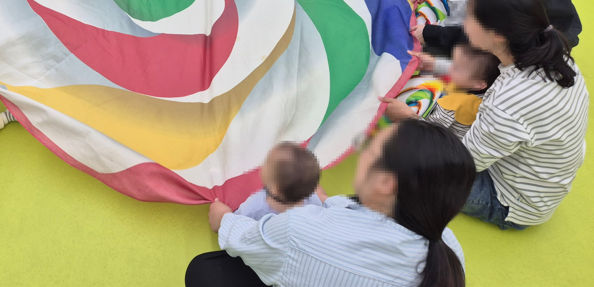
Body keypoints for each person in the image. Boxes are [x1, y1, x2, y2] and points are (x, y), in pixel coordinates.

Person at [187, 121, 475, 287]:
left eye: (370, 147)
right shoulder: (449, 249)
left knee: (204, 271)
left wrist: (223, 218)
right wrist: (325, 201)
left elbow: (242, 237)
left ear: (387, 183)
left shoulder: (298, 231)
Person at [453, 0, 588, 229]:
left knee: (411, 161)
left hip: (511, 201)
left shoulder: (508, 102)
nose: (463, 22)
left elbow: (463, 164)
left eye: (470, 17)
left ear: (498, 36)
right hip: (543, 178)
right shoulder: (558, 56)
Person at [382, 44, 501, 140]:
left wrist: (407, 116)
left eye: (456, 68)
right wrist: (435, 65)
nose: (449, 68)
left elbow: (430, 132)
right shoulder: (479, 89)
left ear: (479, 84)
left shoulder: (453, 105)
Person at [230, 143, 326, 222]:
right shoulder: (313, 201)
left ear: (276, 188)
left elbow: (233, 223)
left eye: (267, 162)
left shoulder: (254, 207)